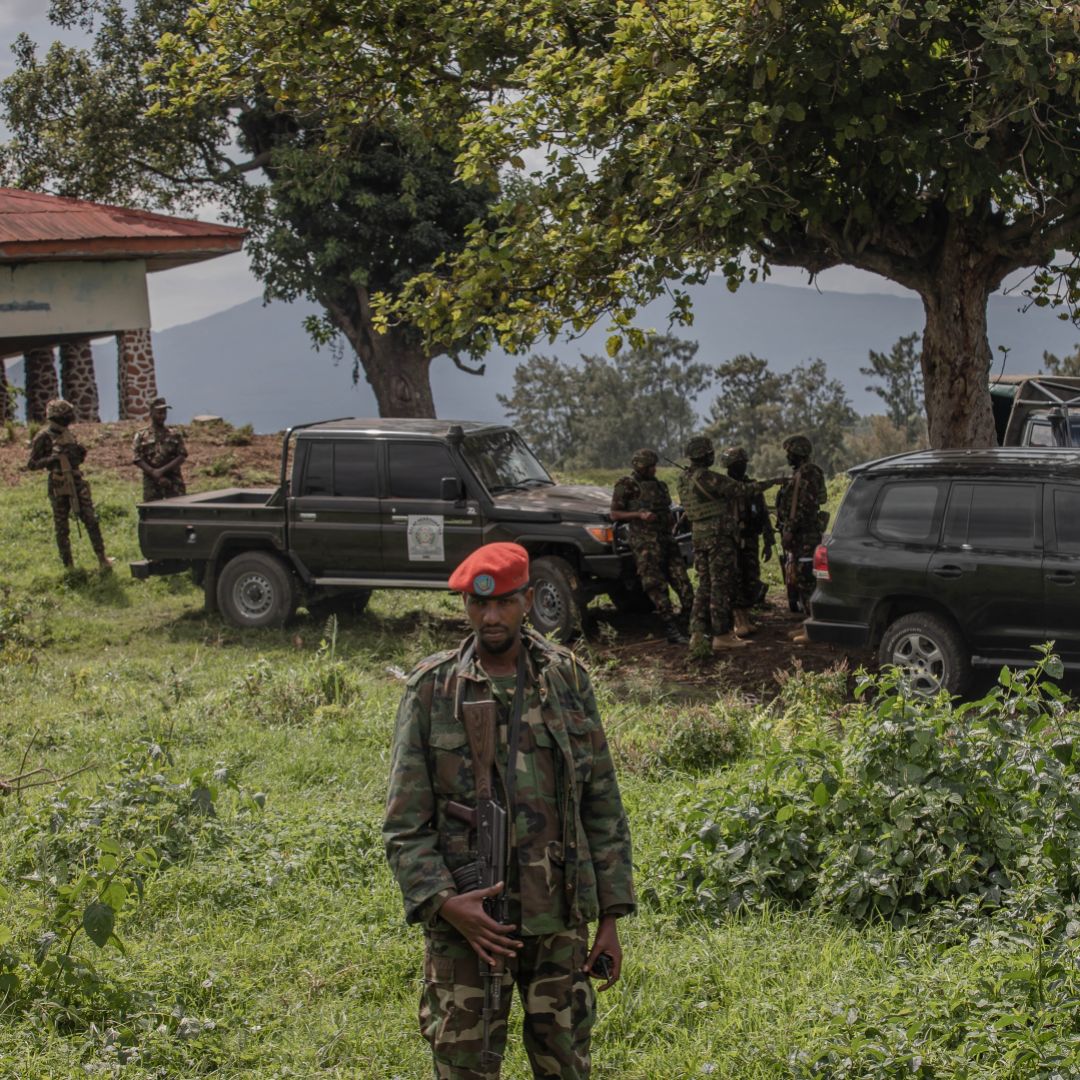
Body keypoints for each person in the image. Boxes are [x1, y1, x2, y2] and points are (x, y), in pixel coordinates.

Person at [384, 541, 635, 1079]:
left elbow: (602, 802)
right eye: (478, 606)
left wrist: (609, 918)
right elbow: (405, 824)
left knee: (565, 1064)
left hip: (557, 920)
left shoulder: (566, 678)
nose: (490, 617)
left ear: (527, 600)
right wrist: (448, 905)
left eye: (502, 603)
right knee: (465, 1067)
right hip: (470, 924)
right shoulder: (433, 689)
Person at [677, 436, 780, 650]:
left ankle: (697, 633)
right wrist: (773, 482)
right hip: (718, 537)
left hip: (699, 537)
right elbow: (742, 490)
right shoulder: (708, 477)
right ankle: (722, 635)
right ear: (705, 455)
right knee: (720, 585)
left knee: (704, 585)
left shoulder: (683, 479)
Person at [609, 448, 693, 644]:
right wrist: (639, 515)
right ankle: (670, 626)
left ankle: (691, 619)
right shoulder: (626, 485)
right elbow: (615, 514)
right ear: (641, 467)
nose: (654, 470)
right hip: (645, 543)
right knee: (655, 584)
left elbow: (668, 509)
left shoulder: (660, 486)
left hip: (666, 539)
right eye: (650, 467)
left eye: (654, 466)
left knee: (682, 579)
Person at [25, 398, 112, 571]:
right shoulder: (43, 437)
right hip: (58, 482)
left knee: (90, 519)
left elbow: (79, 456)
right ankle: (69, 566)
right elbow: (32, 464)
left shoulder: (70, 434)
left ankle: (102, 559)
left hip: (76, 480)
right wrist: (53, 459)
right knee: (62, 526)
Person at [775, 434, 828, 643]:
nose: (788, 457)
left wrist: (790, 528)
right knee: (799, 578)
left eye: (790, 453)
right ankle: (810, 620)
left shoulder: (808, 473)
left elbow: (805, 506)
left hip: (805, 534)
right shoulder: (801, 473)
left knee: (807, 579)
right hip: (801, 535)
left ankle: (814, 626)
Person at [722, 446, 776, 627]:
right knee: (733, 578)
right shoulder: (722, 487)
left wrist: (769, 541)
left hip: (751, 538)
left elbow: (763, 514)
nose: (741, 467)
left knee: (751, 577)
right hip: (730, 540)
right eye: (737, 464)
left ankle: (746, 615)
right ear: (729, 466)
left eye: (743, 464)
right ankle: (737, 619)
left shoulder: (753, 487)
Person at [132, 396, 187, 501]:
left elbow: (182, 455)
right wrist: (154, 473)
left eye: (164, 413)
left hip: (173, 482)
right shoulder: (141, 435)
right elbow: (137, 458)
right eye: (159, 413)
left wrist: (162, 471)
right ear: (151, 413)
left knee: (177, 513)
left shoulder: (174, 434)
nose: (162, 416)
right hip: (152, 484)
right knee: (153, 514)